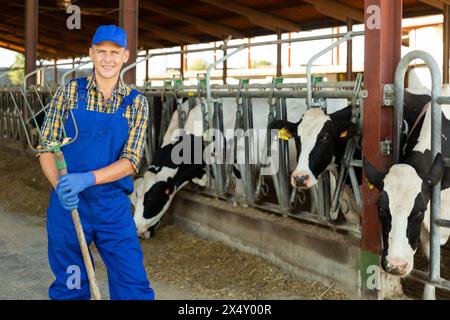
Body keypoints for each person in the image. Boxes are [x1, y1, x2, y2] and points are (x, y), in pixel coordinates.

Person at [37, 25, 155, 300]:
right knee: (71, 285)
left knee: (132, 285)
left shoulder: (136, 103)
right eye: (101, 51)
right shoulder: (68, 93)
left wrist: (87, 179)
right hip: (68, 204)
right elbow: (46, 147)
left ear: (125, 56)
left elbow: (131, 161)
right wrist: (59, 186)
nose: (107, 59)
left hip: (112, 206)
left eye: (114, 52)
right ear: (91, 54)